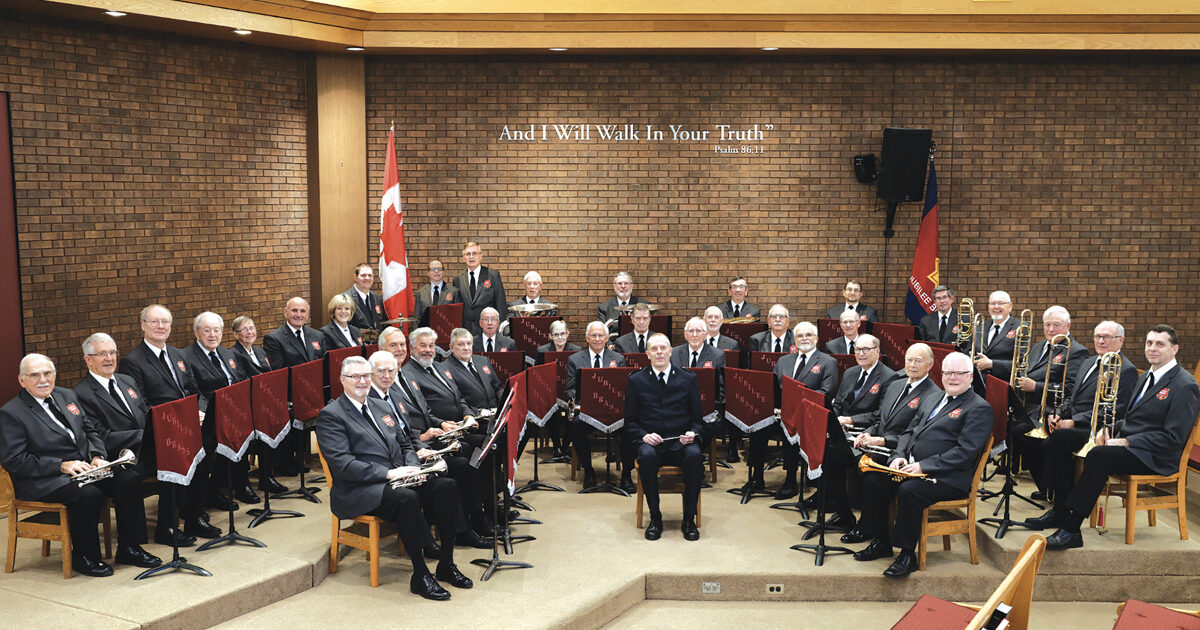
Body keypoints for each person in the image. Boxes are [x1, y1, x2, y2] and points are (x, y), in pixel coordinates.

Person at [314, 356, 473, 600]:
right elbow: (343, 465)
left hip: (398, 478)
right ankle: (420, 575)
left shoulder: (382, 406)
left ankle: (446, 563)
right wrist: (388, 473)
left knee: (446, 487)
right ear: (342, 380)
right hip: (360, 488)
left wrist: (413, 469)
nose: (362, 381)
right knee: (407, 499)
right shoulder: (331, 415)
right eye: (355, 377)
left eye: (366, 376)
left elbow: (406, 443)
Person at [1030, 325, 1199, 550]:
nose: (1153, 349)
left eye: (1160, 344)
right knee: (1077, 445)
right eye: (1150, 343)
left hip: (1156, 456)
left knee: (1099, 456)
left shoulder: (1184, 385)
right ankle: (1062, 513)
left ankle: (1071, 529)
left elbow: (1174, 437)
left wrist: (1127, 441)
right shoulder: (1148, 375)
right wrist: (1108, 430)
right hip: (1135, 447)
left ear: (1174, 349)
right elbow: (1131, 418)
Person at [1, 354, 161, 576]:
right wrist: (62, 465)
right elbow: (15, 461)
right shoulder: (11, 413)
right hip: (46, 479)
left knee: (129, 479)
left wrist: (97, 455)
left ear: (54, 375)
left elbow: (90, 431)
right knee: (88, 495)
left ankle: (130, 548)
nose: (43, 380)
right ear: (21, 380)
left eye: (47, 373)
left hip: (85, 468)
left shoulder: (66, 395)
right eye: (34, 375)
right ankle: (85, 556)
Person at [850, 352, 992, 578]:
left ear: (971, 376)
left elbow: (965, 452)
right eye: (948, 373)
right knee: (873, 481)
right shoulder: (933, 397)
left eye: (959, 373)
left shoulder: (978, 407)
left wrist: (924, 466)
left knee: (909, 491)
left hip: (948, 478)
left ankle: (907, 555)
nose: (952, 378)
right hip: (913, 468)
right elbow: (909, 431)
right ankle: (882, 542)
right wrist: (899, 454)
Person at [366, 350, 492, 544]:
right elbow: (387, 440)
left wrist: (424, 441)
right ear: (371, 373)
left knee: (464, 465)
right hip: (398, 461)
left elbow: (406, 430)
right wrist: (418, 448)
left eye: (391, 371)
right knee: (455, 469)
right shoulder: (370, 400)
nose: (387, 375)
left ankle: (475, 521)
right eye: (381, 371)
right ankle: (459, 531)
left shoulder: (394, 394)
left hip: (415, 447)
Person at [117, 304, 216, 545]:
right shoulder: (133, 361)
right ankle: (167, 527)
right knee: (175, 456)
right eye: (155, 322)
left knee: (211, 445)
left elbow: (194, 390)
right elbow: (141, 404)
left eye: (165, 322)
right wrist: (176, 419)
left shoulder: (178, 355)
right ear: (143, 325)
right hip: (162, 432)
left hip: (190, 425)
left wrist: (200, 411)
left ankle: (193, 515)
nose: (161, 326)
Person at [1029, 321, 1139, 499]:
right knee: (1027, 434)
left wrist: (1074, 421)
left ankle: (1062, 500)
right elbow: (1071, 397)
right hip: (1075, 421)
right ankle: (1051, 489)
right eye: (1098, 336)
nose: (1101, 341)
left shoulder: (1126, 370)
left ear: (1121, 340)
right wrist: (1057, 415)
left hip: (1097, 429)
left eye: (1107, 337)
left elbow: (1116, 410)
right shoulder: (1088, 362)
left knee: (1057, 440)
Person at [815, 334, 900, 527]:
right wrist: (831, 420)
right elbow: (838, 402)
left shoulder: (889, 377)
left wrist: (851, 419)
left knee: (835, 454)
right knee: (823, 451)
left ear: (877, 351)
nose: (860, 354)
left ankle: (858, 515)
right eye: (857, 350)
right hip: (842, 428)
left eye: (865, 350)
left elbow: (880, 414)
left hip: (866, 432)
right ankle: (840, 510)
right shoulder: (851, 372)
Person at [628, 334, 704, 541]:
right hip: (652, 445)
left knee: (695, 455)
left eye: (663, 348)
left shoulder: (688, 379)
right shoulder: (636, 380)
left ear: (671, 351)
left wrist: (692, 433)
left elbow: (698, 420)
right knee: (646, 456)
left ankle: (689, 518)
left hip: (681, 444)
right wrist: (643, 436)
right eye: (654, 349)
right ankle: (655, 517)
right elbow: (630, 422)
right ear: (647, 354)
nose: (659, 352)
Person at [183, 311, 259, 508]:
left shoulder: (228, 354)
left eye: (216, 330)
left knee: (250, 428)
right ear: (197, 333)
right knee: (217, 438)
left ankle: (239, 483)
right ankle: (213, 489)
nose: (212, 335)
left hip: (234, 411)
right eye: (207, 330)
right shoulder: (187, 357)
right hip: (209, 413)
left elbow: (240, 382)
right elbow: (194, 392)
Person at [1011, 305, 1089, 495]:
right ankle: (1046, 486)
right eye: (1047, 325)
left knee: (1021, 432)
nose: (1051, 330)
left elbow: (1071, 389)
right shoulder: (1039, 346)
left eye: (1056, 325)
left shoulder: (1076, 351)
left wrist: (1035, 387)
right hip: (1032, 407)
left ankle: (1051, 486)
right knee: (1011, 428)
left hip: (1056, 411)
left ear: (1068, 326)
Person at [758, 321, 839, 500]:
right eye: (800, 335)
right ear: (794, 340)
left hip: (810, 417)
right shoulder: (783, 360)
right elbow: (775, 389)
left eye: (808, 335)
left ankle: (790, 481)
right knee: (758, 427)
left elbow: (826, 393)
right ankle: (757, 477)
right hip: (783, 415)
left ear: (816, 338)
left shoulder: (828, 362)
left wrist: (797, 407)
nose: (804, 339)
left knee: (790, 432)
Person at [565, 321, 630, 490]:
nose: (597, 339)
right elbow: (569, 389)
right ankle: (588, 471)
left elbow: (623, 388)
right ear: (587, 338)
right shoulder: (575, 359)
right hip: (587, 411)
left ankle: (627, 475)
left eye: (601, 335)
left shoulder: (618, 359)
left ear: (607, 338)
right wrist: (578, 400)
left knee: (631, 428)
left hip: (613, 411)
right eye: (593, 335)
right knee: (575, 426)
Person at [670, 317, 726, 446]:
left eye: (698, 331)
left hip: (707, 408)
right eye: (691, 331)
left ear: (705, 334)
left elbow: (721, 386)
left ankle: (695, 452)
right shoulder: (674, 353)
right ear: (685, 334)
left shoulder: (717, 355)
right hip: (679, 406)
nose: (694, 335)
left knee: (707, 427)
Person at [537, 320, 580, 459]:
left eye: (562, 334)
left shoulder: (577, 350)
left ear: (568, 334)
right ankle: (557, 447)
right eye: (556, 334)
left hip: (570, 391)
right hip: (549, 392)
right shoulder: (542, 351)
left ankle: (565, 446)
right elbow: (537, 373)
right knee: (552, 411)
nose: (560, 337)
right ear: (550, 336)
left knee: (572, 413)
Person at [453, 241, 507, 336]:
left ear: (480, 256)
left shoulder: (493, 275)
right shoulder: (458, 279)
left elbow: (501, 304)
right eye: (468, 254)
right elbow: (457, 309)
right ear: (463, 257)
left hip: (488, 331)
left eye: (474, 253)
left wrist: (498, 329)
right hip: (466, 332)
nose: (471, 257)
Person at [443, 328, 503, 412]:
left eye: (469, 343)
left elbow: (498, 387)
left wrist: (503, 405)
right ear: (451, 347)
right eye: (461, 344)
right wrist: (478, 412)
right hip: (474, 418)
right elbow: (456, 400)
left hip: (497, 413)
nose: (466, 348)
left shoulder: (483, 360)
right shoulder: (445, 368)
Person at [263, 297, 329, 369]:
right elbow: (278, 373)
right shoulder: (273, 339)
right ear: (286, 312)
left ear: (307, 315)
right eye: (294, 310)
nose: (298, 315)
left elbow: (325, 365)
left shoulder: (318, 335)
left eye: (303, 311)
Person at [972, 290, 1020, 383]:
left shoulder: (1020, 327)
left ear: (1010, 306)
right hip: (978, 385)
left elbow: (1022, 364)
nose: (996, 307)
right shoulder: (980, 326)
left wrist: (992, 364)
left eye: (1001, 303)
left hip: (1003, 384)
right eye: (992, 303)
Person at [413, 260, 461, 327]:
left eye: (439, 269)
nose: (436, 271)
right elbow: (416, 318)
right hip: (427, 334)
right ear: (428, 273)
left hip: (446, 333)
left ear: (443, 272)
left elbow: (457, 318)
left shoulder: (454, 292)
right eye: (433, 269)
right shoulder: (420, 293)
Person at [342, 262, 386, 331]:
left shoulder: (377, 298)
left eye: (370, 275)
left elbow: (384, 323)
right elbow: (343, 327)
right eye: (363, 275)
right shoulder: (345, 299)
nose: (367, 278)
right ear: (355, 277)